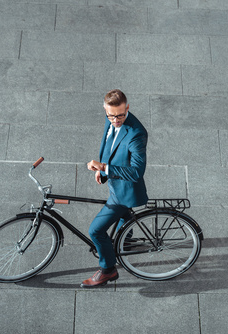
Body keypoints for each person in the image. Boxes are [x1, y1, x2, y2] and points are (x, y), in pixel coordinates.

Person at [83, 89, 148, 288]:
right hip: (114, 182)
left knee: (96, 231)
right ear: (105, 109)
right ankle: (124, 239)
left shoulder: (136, 134)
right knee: (122, 221)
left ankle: (108, 270)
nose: (116, 120)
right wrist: (103, 170)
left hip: (124, 193)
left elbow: (136, 172)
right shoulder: (109, 119)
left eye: (120, 115)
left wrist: (104, 168)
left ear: (127, 108)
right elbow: (109, 146)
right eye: (111, 115)